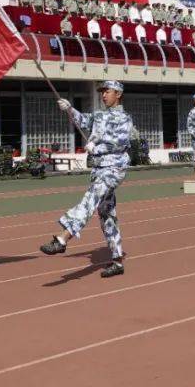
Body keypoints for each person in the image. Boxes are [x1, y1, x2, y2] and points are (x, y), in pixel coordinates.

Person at [39, 80, 132, 278]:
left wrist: (95, 148)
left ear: (118, 94)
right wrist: (70, 109)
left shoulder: (124, 118)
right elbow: (83, 121)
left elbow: (120, 143)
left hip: (114, 168)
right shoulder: (100, 116)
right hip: (99, 169)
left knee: (90, 199)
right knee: (106, 214)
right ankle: (117, 260)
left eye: (107, 91)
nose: (103, 95)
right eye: (102, 92)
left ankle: (62, 239)